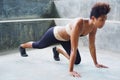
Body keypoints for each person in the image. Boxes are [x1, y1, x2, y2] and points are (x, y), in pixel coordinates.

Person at [19, 2, 110, 77]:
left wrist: (96, 63)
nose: (103, 22)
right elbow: (73, 49)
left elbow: (91, 46)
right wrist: (70, 70)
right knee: (39, 45)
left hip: (66, 39)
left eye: (105, 19)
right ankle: (22, 46)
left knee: (77, 61)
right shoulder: (79, 23)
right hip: (55, 34)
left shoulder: (94, 27)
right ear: (93, 18)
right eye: (101, 20)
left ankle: (57, 50)